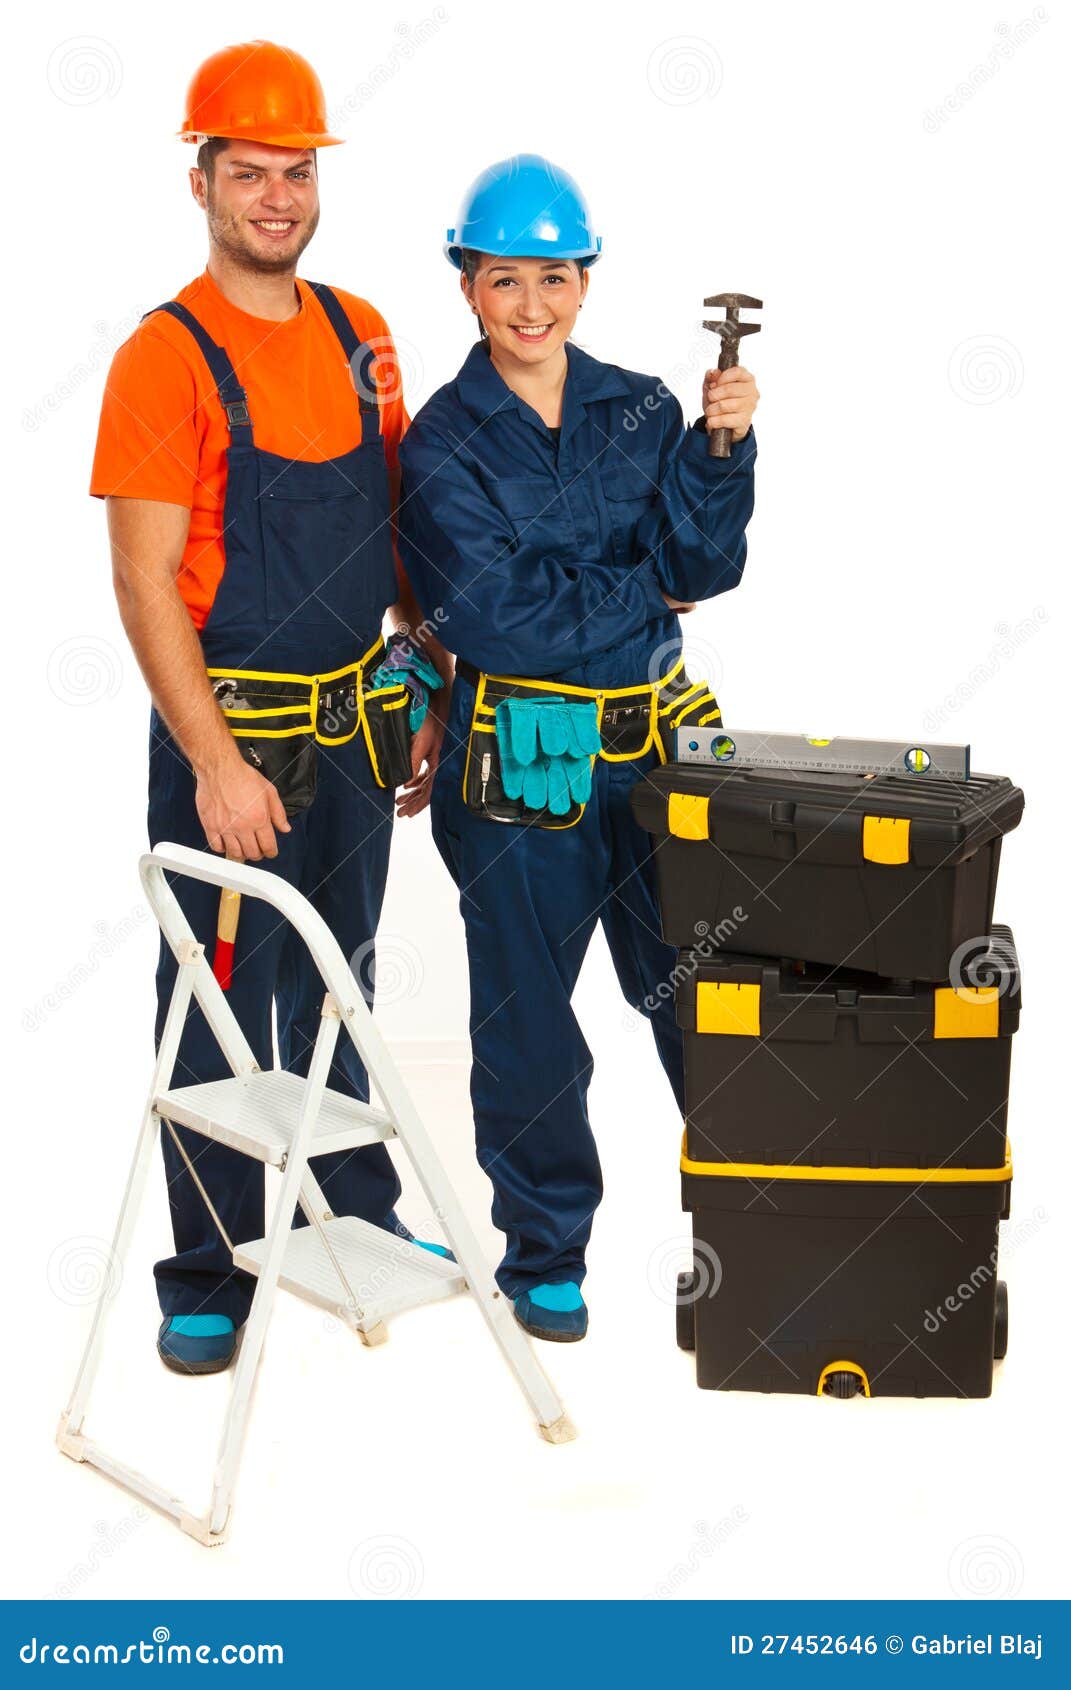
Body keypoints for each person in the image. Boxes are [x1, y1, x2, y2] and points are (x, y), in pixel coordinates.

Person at [91, 41, 451, 1375]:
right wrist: (213, 761)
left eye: (295, 170)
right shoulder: (164, 354)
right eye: (249, 170)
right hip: (231, 725)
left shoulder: (363, 335)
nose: (278, 196)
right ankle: (203, 1268)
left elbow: (400, 523)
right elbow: (140, 584)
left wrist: (416, 670)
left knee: (341, 979)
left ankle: (349, 1211)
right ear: (202, 180)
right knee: (215, 996)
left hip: (355, 716)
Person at [397, 154, 759, 1342]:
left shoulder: (648, 407)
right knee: (531, 1021)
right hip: (524, 753)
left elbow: (703, 570)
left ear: (587, 279)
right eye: (506, 279)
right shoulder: (443, 441)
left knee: (704, 993)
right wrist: (643, 596)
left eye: (555, 277)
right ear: (467, 284)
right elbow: (494, 615)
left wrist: (717, 455)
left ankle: (762, 1228)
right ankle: (546, 1251)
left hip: (655, 750)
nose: (533, 305)